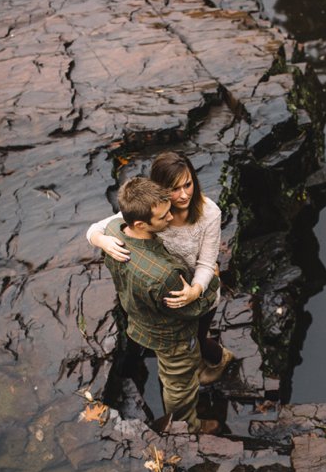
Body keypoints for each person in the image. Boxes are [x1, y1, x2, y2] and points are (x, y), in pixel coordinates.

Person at [87, 152, 234, 384]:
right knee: (178, 340)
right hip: (163, 294)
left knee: (197, 337)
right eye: (175, 189)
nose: (184, 194)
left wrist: (195, 291)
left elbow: (207, 263)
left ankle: (221, 359)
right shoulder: (151, 210)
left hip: (199, 290)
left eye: (188, 184)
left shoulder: (209, 213)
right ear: (161, 188)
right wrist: (102, 241)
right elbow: (96, 228)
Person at [102, 176, 219, 434]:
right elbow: (193, 309)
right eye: (164, 216)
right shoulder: (163, 275)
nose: (170, 218)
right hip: (172, 336)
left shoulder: (112, 232)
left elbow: (98, 230)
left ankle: (197, 373)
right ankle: (187, 426)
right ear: (141, 224)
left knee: (171, 373)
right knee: (180, 385)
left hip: (140, 321)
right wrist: (213, 282)